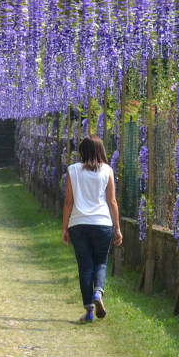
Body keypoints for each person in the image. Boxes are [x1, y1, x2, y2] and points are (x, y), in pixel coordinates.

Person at [61, 135, 123, 323]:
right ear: (101, 151)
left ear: (82, 152)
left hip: (78, 224)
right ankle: (98, 293)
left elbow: (69, 202)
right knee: (101, 263)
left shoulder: (73, 170)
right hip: (103, 223)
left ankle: (88, 312)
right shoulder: (107, 170)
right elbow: (112, 201)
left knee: (85, 267)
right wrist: (118, 228)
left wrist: (65, 228)